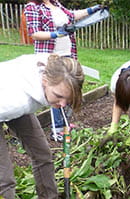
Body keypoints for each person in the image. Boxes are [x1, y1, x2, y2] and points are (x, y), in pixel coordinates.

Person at [0, 53, 84, 199]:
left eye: (68, 99)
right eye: (58, 96)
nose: (63, 103)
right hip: (5, 101)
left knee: (43, 155)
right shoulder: (15, 101)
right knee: (4, 180)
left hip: (12, 93)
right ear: (44, 82)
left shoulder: (56, 68)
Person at [24, 0, 103, 141]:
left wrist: (92, 10)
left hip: (67, 54)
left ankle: (65, 123)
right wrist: (57, 34)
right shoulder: (33, 7)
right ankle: (57, 129)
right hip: (50, 56)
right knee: (57, 91)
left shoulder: (56, 4)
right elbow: (34, 33)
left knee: (69, 91)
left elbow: (71, 15)